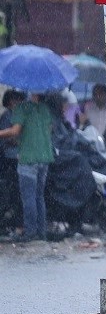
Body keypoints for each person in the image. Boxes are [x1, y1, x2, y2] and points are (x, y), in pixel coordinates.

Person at [0, 92, 56, 242]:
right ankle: (41, 232)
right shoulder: (45, 109)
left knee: (28, 198)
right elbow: (48, 130)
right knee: (39, 197)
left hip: (29, 158)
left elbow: (14, 131)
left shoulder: (22, 108)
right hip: (44, 157)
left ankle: (30, 233)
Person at [0, 90, 25, 235]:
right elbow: (7, 138)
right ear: (10, 102)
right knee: (16, 193)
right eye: (16, 100)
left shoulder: (18, 116)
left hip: (18, 157)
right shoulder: (7, 116)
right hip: (9, 159)